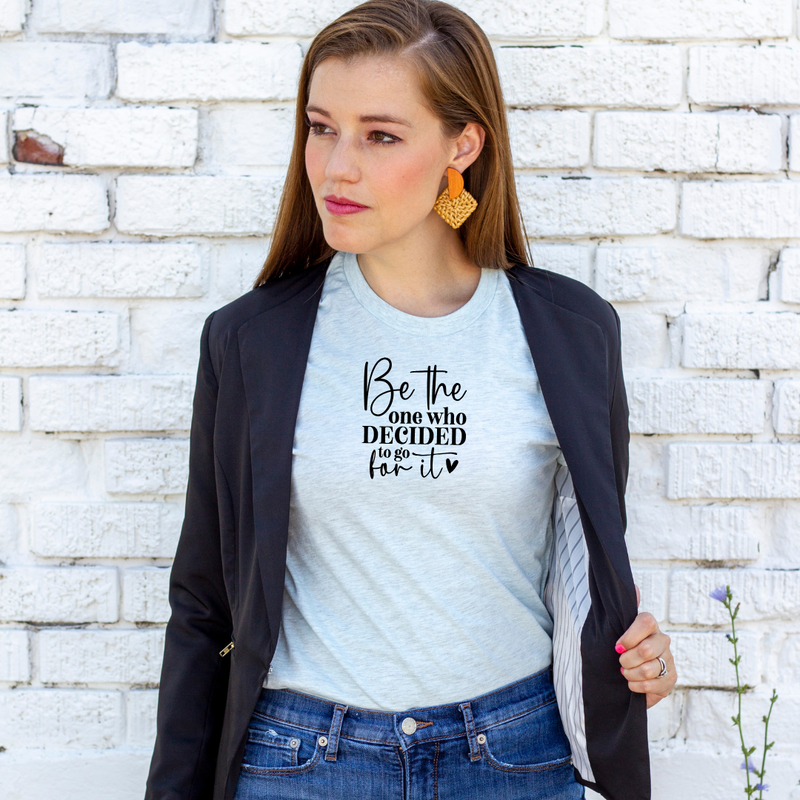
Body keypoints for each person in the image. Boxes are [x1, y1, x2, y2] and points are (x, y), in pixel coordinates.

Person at [144, 2, 677, 799]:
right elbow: (204, 602)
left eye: (380, 135)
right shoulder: (252, 342)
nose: (335, 168)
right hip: (300, 762)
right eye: (322, 127)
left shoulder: (572, 334)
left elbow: (584, 564)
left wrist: (631, 654)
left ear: (462, 145)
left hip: (515, 757)